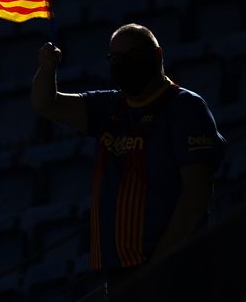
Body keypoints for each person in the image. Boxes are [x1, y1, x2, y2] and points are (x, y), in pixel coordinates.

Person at [31, 23, 226, 288]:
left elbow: (197, 191)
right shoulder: (110, 107)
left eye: (130, 57)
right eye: (115, 59)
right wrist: (47, 67)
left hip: (170, 267)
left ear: (156, 56)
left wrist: (161, 260)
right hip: (121, 271)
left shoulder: (184, 107)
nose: (122, 65)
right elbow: (46, 104)